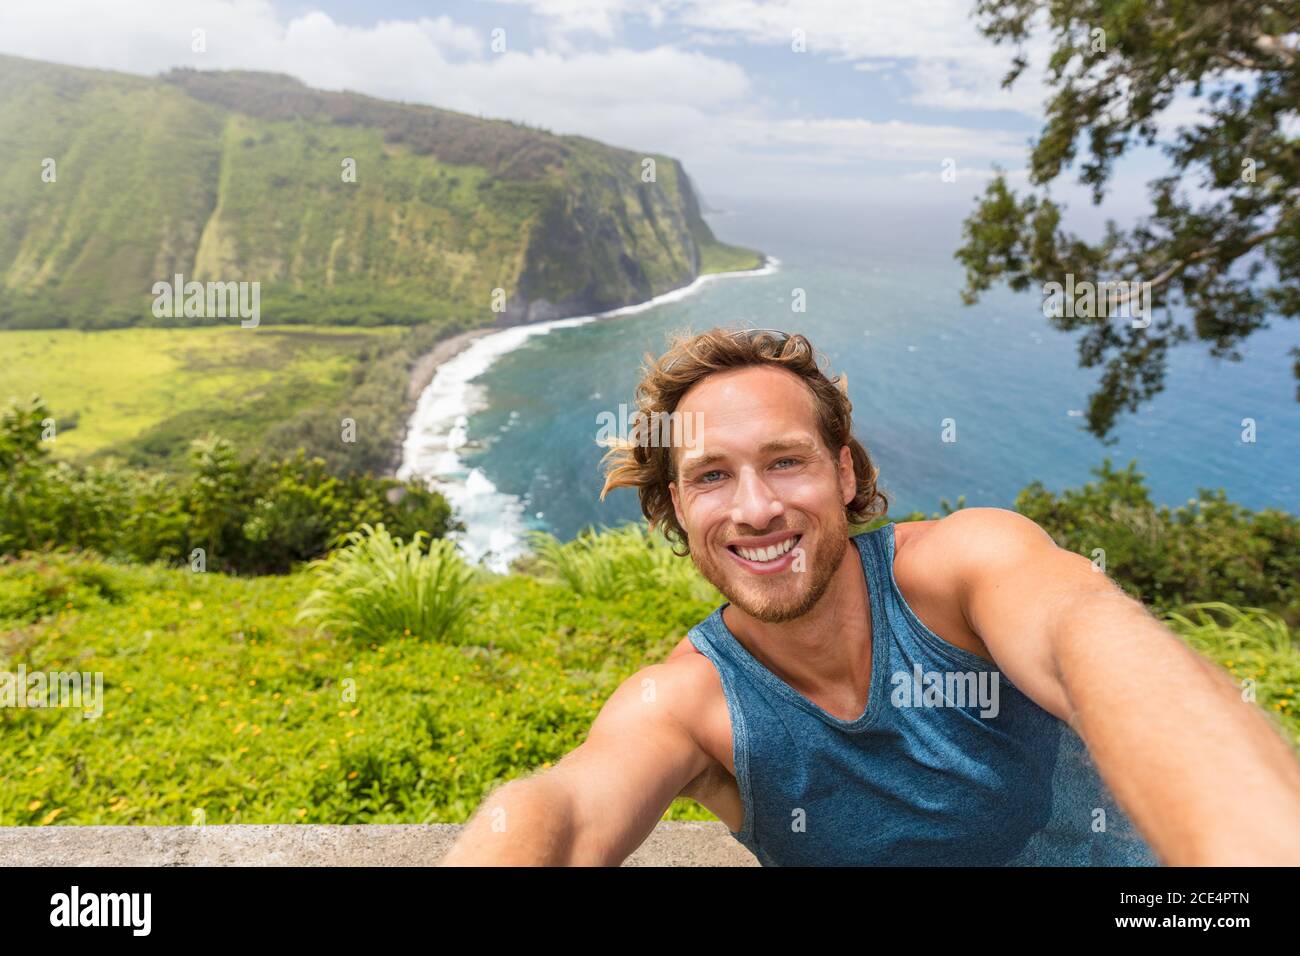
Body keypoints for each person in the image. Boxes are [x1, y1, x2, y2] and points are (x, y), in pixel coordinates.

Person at [438, 327, 1300, 866]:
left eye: (785, 460)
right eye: (711, 476)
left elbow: (1094, 641)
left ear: (844, 473)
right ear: (676, 508)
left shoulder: (961, 569)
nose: (755, 508)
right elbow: (565, 811)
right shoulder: (690, 707)